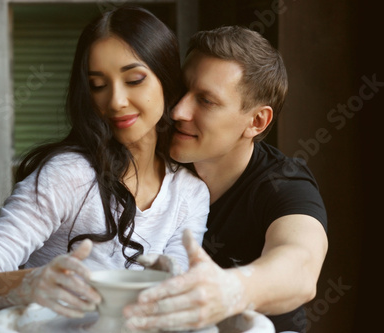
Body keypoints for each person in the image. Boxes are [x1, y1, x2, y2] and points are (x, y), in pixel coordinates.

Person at [0, 6, 209, 320]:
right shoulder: (69, 175)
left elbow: (175, 298)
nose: (115, 101)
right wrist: (28, 284)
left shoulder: (189, 194)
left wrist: (174, 284)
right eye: (98, 85)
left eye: (134, 80)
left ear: (167, 81)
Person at [124, 26, 328, 333]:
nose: (178, 111)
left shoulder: (284, 183)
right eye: (182, 90)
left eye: (206, 101)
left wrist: (228, 289)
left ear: (257, 121)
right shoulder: (144, 159)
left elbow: (300, 265)